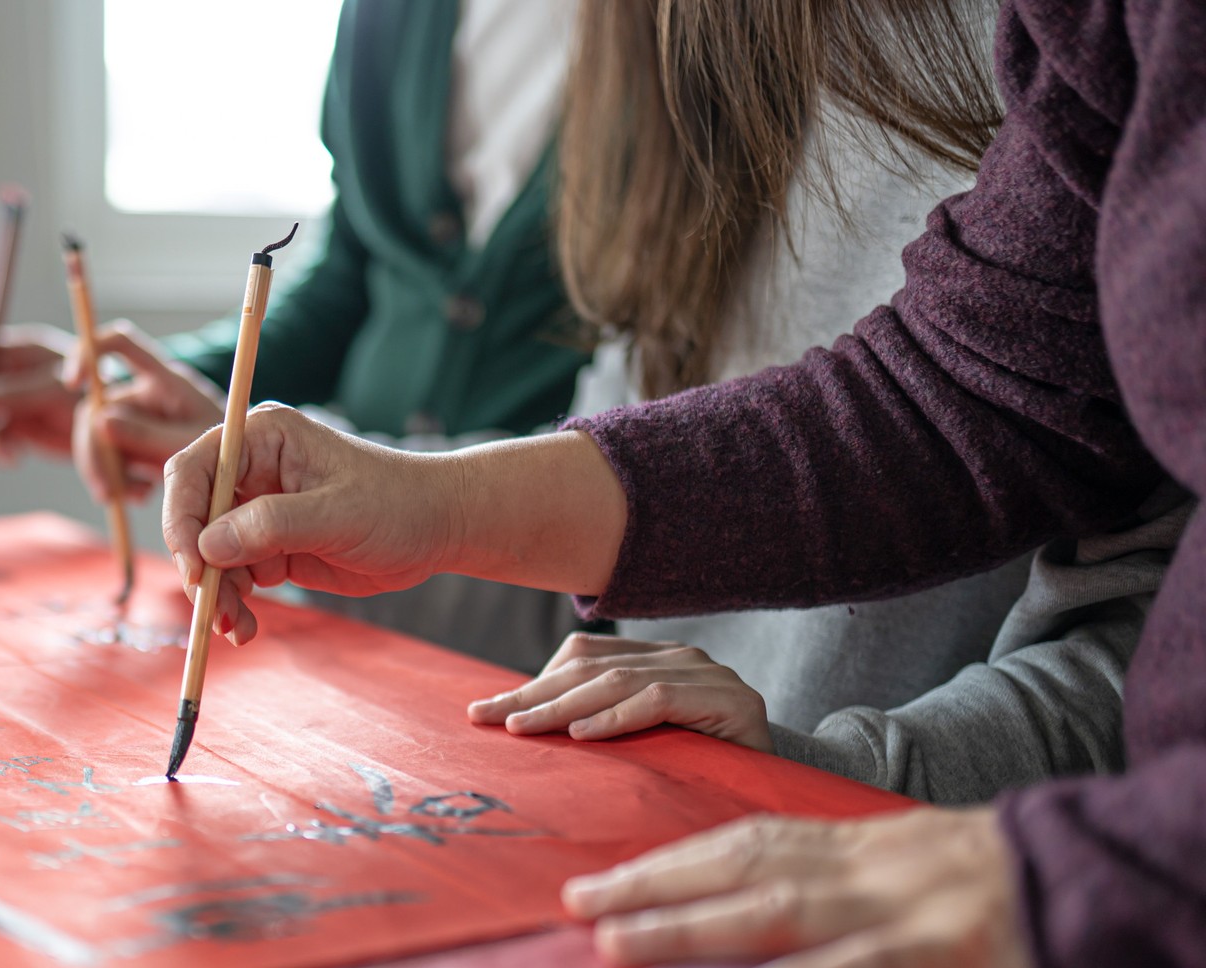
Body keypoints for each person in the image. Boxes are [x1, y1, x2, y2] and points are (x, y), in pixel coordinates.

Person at [158, 0, 1205, 968]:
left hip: (947, 924)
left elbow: (1119, 616)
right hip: (716, 859)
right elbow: (948, 398)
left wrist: (844, 767)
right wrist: (424, 503)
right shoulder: (671, 77)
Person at [460, 0, 1191, 804]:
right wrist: (402, 504)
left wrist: (830, 772)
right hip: (680, 819)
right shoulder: (664, 48)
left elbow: (1152, 648)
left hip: (924, 869)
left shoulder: (1066, 48)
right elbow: (596, 597)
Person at [0, 0, 590, 672]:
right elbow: (350, 286)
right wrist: (147, 392)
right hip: (341, 614)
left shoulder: (674, 38)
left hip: (533, 606)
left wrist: (391, 485)